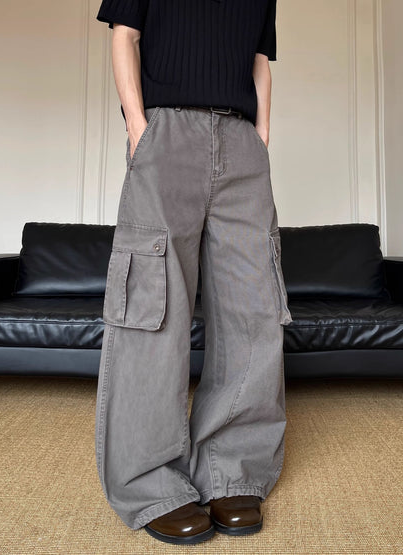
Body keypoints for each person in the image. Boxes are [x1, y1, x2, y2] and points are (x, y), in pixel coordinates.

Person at [95, 0, 292, 546]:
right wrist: (139, 127)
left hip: (241, 142)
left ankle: (233, 470)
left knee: (253, 307)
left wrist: (260, 136)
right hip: (166, 133)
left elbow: (259, 60)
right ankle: (150, 482)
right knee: (153, 305)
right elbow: (124, 35)